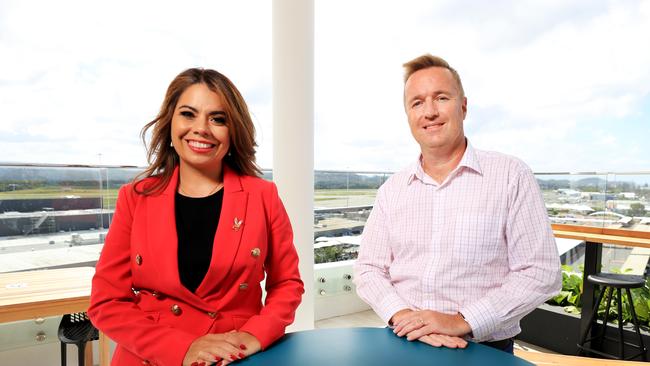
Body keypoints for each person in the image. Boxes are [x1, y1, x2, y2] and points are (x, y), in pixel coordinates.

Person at [88, 68, 304, 366]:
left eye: (218, 119)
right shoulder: (135, 197)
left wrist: (256, 334)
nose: (201, 128)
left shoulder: (262, 195)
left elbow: (287, 284)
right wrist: (181, 347)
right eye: (188, 114)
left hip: (231, 356)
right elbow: (107, 302)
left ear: (233, 130)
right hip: (150, 355)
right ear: (170, 123)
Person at [353, 54, 561, 353]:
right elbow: (369, 268)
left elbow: (540, 272)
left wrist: (461, 320)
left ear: (463, 106)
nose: (430, 111)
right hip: (404, 342)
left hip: (482, 349)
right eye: (417, 102)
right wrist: (405, 318)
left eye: (441, 97)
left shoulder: (511, 175)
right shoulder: (392, 189)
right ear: (409, 116)